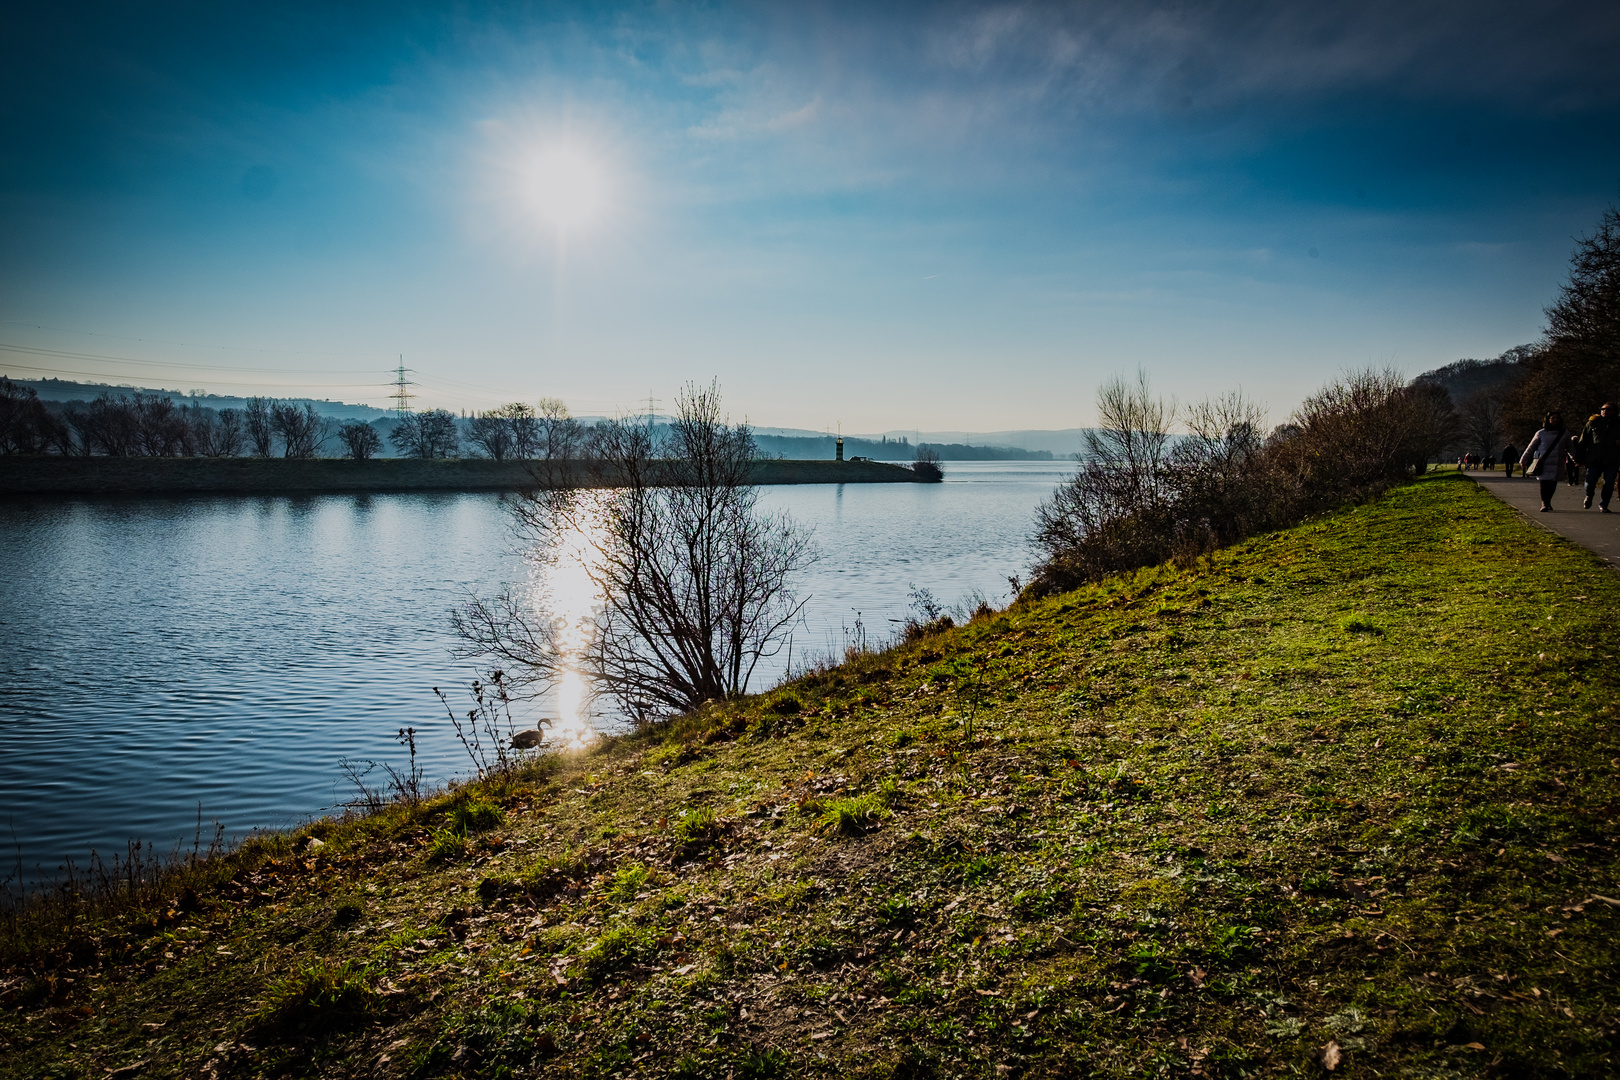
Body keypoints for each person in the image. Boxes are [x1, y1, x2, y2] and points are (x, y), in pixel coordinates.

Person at [1520, 412, 1573, 511]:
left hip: (1557, 463)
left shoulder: (1564, 433)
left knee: (1553, 484)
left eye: (1557, 418)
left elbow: (1570, 448)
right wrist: (1523, 460)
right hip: (1543, 463)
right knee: (1544, 484)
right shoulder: (1541, 433)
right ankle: (1544, 503)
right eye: (1553, 418)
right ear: (1548, 420)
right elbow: (1530, 448)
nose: (1555, 420)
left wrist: (1576, 459)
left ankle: (1548, 502)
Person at [1575, 401, 1620, 512]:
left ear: (1614, 412)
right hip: (1594, 458)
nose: (1604, 411)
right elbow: (1583, 441)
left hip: (1612, 459)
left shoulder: (1618, 424)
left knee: (1609, 483)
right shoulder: (1593, 423)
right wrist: (1579, 458)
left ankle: (1604, 505)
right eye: (1602, 409)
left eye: (1608, 409)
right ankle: (1589, 496)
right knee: (1590, 482)